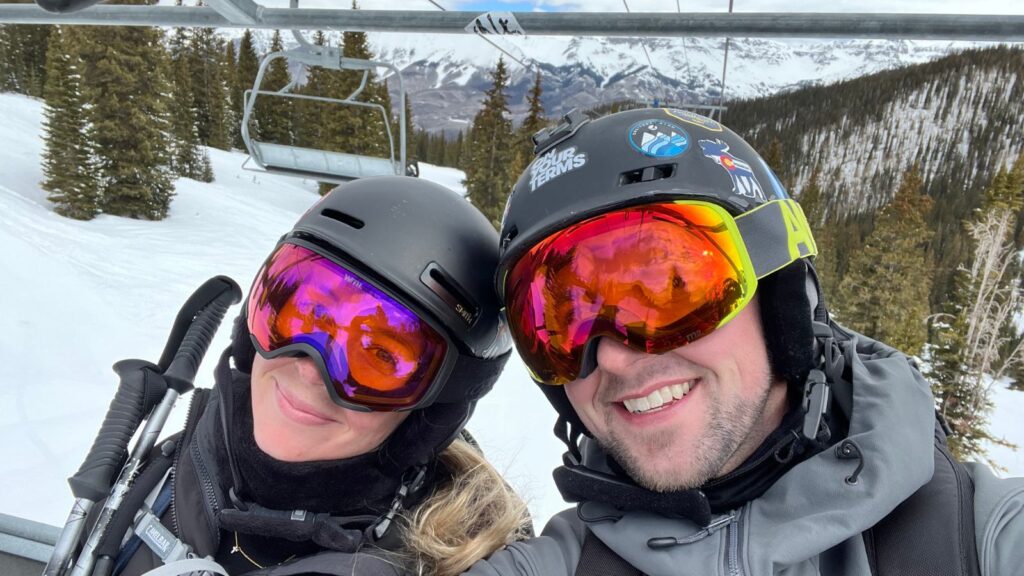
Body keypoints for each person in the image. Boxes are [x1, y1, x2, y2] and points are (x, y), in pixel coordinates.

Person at [463, 108, 1024, 575]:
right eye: (561, 324)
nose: (611, 355)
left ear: (781, 300)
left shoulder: (975, 539)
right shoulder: (553, 566)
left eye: (671, 290)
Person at [103, 176, 527, 576]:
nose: (309, 369)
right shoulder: (179, 461)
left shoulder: (466, 560)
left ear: (431, 412)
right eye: (303, 314)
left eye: (378, 354)